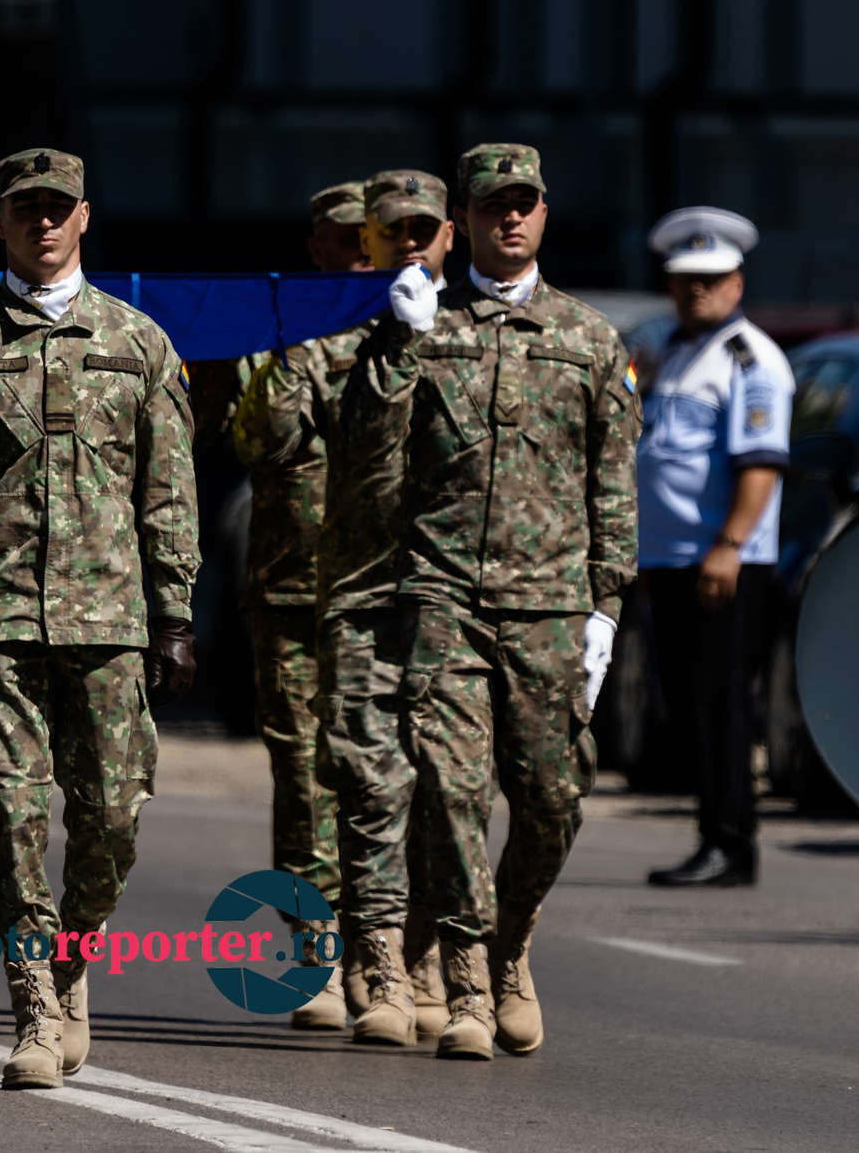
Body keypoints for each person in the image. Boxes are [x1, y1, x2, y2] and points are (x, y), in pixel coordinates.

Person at [0, 148, 201, 1090]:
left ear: (84, 216)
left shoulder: (140, 345)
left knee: (110, 816)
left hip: (112, 620)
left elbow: (170, 492)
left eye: (57, 207)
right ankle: (32, 1005)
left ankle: (75, 953)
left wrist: (177, 611)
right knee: (15, 813)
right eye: (25, 207)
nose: (43, 222)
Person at [349, 144, 636, 1061]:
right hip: (443, 597)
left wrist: (607, 608)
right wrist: (397, 345)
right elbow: (367, 454)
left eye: (525, 203)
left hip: (552, 604)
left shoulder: (590, 338)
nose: (510, 218)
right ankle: (471, 983)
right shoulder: (425, 322)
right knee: (455, 790)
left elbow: (613, 483)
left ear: (544, 215)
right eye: (492, 205)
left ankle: (513, 939)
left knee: (553, 797)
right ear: (462, 220)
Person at [315, 167, 466, 1046]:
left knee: (453, 785)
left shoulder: (488, 329)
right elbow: (343, 449)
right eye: (392, 231)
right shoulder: (336, 328)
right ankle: (372, 959)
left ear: (450, 235)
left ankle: (438, 956)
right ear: (366, 240)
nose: (410, 243)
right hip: (366, 587)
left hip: (461, 596)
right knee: (370, 781)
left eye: (424, 229)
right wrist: (397, 347)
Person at [227, 181, 373, 1032]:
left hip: (387, 591)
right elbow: (256, 436)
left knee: (388, 772)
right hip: (290, 589)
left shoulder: (415, 328)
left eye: (371, 240)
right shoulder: (278, 331)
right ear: (315, 246)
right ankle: (317, 952)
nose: (357, 254)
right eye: (341, 240)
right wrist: (300, 344)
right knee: (304, 777)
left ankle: (392, 949)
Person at [637, 207, 791, 891]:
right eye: (684, 278)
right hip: (671, 559)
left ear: (736, 281)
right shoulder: (674, 349)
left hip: (721, 562)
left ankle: (731, 843)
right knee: (690, 706)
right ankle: (712, 833)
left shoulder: (749, 359)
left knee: (722, 705)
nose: (695, 290)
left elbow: (760, 464)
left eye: (710, 278)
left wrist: (729, 544)